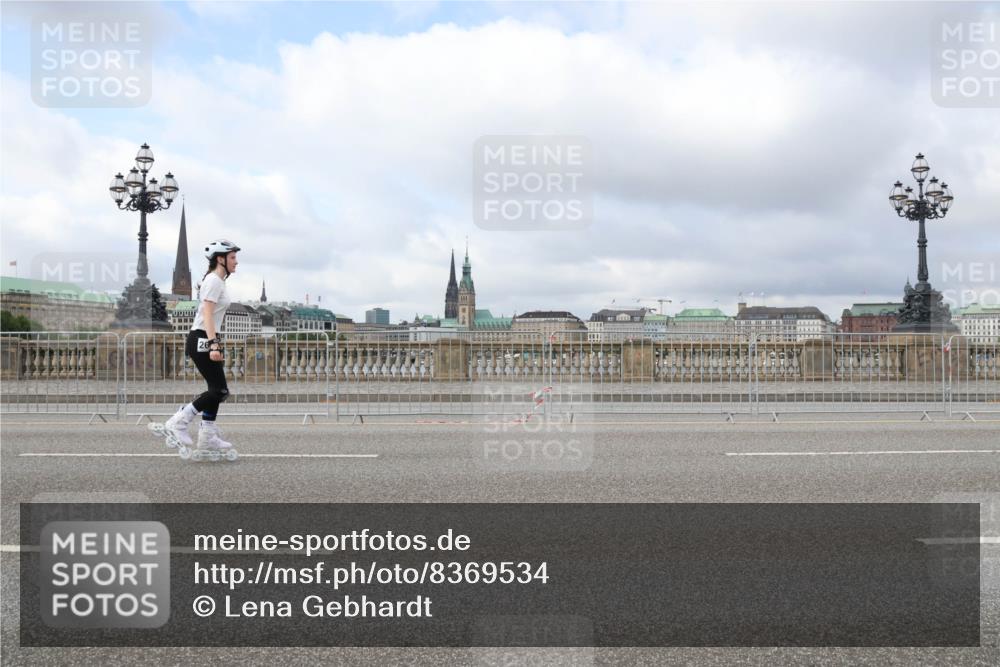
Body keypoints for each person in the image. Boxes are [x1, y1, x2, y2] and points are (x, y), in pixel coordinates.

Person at [162, 239, 240, 455]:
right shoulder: (214, 281)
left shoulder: (218, 281)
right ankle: (179, 422)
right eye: (233, 257)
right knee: (219, 390)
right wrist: (214, 343)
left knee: (217, 390)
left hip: (205, 338)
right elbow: (207, 313)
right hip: (202, 338)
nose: (236, 262)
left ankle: (207, 436)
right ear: (220, 259)